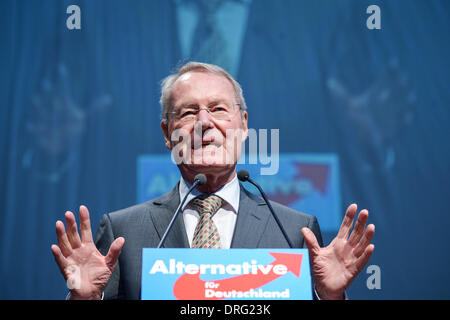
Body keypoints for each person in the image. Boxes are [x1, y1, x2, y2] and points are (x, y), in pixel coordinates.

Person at [51, 62, 375, 300]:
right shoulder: (124, 232)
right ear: (167, 132)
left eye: (218, 109)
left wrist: (331, 297)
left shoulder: (293, 231)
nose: (204, 123)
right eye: (189, 112)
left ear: (243, 125)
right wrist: (82, 299)